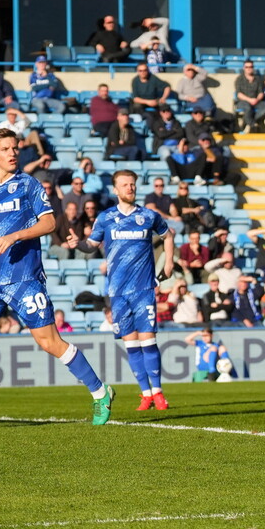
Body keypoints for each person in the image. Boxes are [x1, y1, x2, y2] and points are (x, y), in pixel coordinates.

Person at [0, 128, 114, 429]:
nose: (13, 153)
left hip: (25, 278)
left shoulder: (28, 184)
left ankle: (100, 391)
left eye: (15, 148)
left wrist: (16, 234)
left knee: (49, 342)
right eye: (6, 149)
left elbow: (49, 222)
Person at [69, 169, 175, 411]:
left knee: (148, 339)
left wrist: (168, 263)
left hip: (143, 288)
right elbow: (91, 245)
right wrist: (79, 244)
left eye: (133, 184)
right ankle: (145, 394)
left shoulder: (148, 216)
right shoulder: (106, 218)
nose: (130, 188)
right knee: (130, 343)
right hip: (117, 291)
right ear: (115, 190)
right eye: (125, 185)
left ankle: (158, 393)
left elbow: (168, 237)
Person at [234, 60, 265, 132]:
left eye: (251, 67)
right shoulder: (239, 79)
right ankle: (253, 125)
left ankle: (247, 120)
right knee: (247, 108)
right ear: (244, 68)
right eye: (247, 67)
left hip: (256, 101)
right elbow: (239, 94)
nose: (249, 68)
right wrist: (249, 100)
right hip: (243, 101)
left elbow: (261, 92)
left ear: (253, 68)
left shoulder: (258, 79)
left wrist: (257, 99)